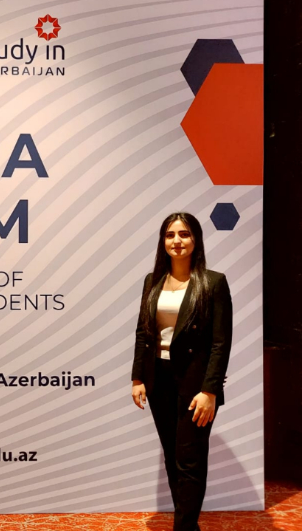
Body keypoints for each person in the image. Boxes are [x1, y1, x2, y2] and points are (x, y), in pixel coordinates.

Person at [131, 212, 232, 531]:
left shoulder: (213, 282)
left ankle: (184, 527)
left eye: (184, 234)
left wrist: (210, 390)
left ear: (196, 240)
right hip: (157, 378)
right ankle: (187, 525)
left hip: (195, 383)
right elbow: (143, 332)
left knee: (190, 458)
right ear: (163, 241)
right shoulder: (152, 281)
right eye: (170, 235)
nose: (177, 241)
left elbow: (220, 342)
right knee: (172, 456)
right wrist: (137, 377)